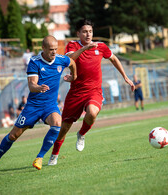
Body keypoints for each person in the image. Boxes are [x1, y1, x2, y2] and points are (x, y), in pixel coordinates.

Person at [47, 19, 135, 166]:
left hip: (94, 91)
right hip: (76, 92)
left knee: (92, 112)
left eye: (90, 31)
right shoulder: (73, 45)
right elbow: (69, 59)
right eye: (84, 31)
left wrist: (125, 77)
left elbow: (113, 58)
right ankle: (54, 154)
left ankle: (81, 134)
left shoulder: (100, 46)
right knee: (64, 128)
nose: (88, 34)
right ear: (78, 33)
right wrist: (85, 49)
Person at [0, 35, 77, 176]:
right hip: (33, 106)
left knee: (57, 123)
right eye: (51, 49)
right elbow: (31, 84)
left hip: (50, 105)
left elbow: (72, 62)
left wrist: (74, 76)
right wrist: (38, 87)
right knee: (13, 136)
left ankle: (39, 157)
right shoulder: (34, 62)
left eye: (55, 49)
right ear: (43, 48)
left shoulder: (60, 59)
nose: (54, 52)